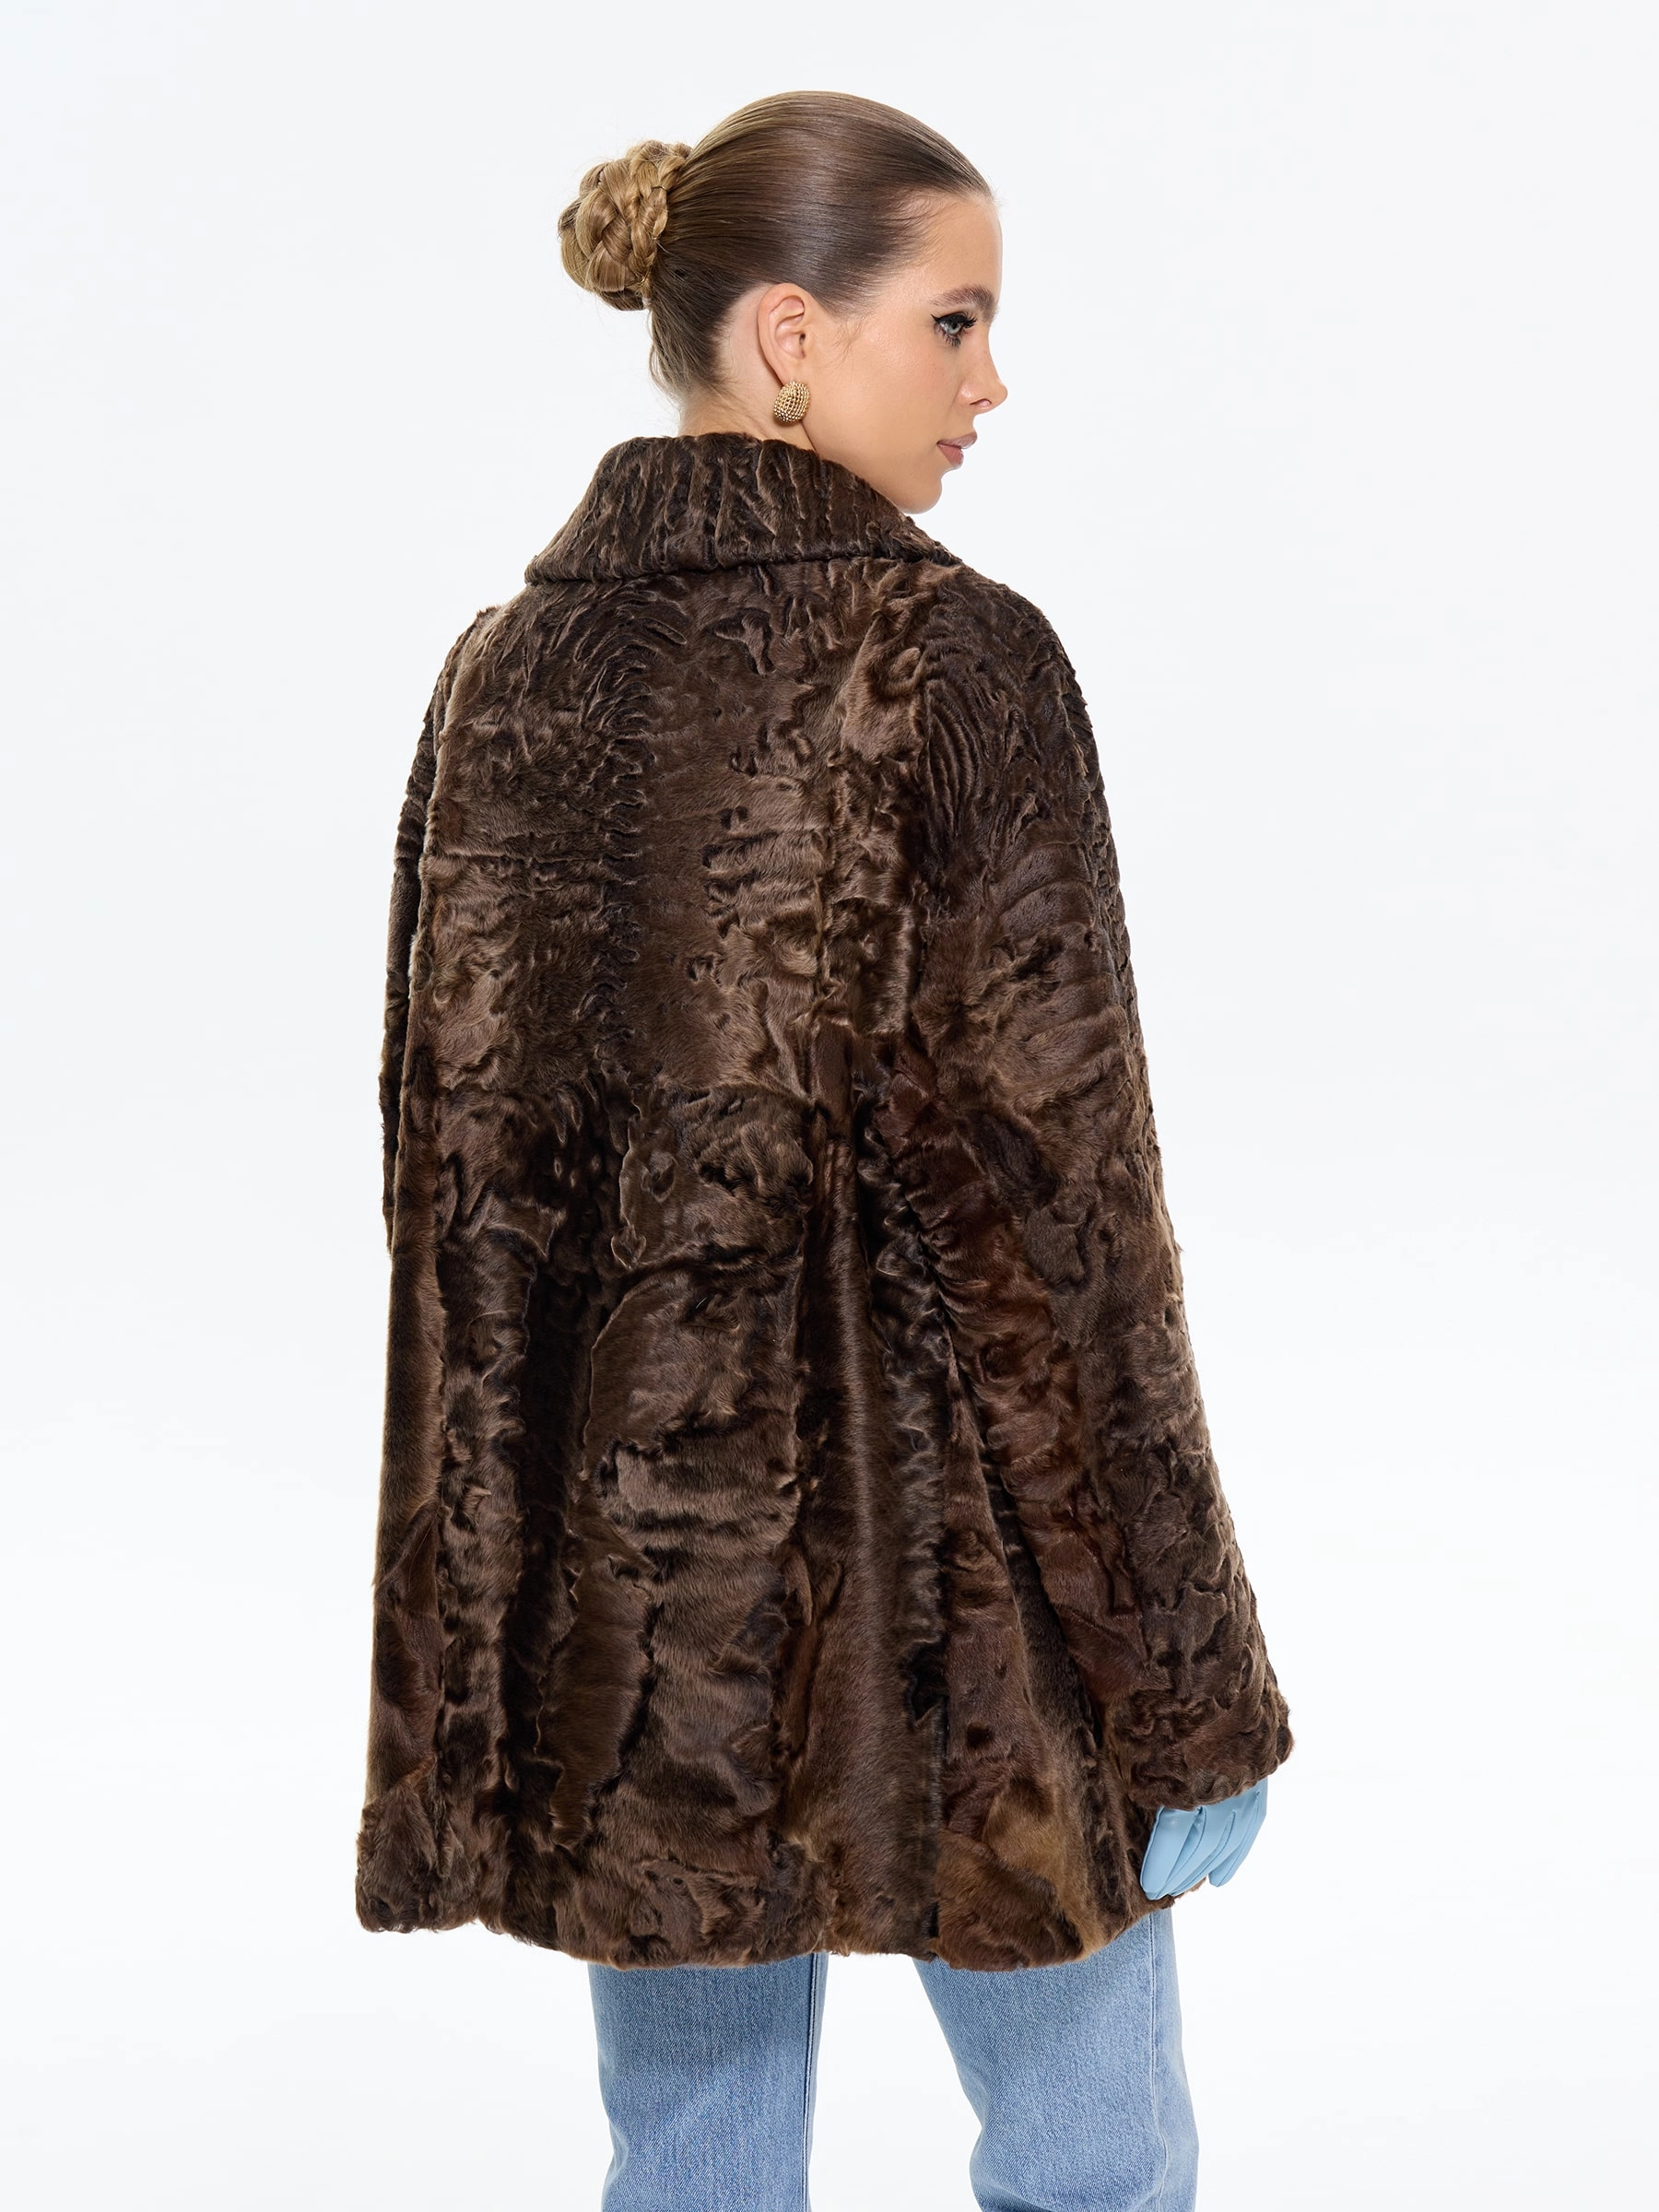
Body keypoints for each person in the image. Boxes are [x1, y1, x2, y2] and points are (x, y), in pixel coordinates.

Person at [355, 88, 1292, 2212]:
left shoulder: (498, 676)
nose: (991, 381)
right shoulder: (953, 658)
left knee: (689, 2172)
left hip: (639, 1609)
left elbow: (461, 1224)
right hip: (962, 1579)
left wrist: (476, 1664)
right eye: (954, 322)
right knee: (1097, 2161)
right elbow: (1065, 1216)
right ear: (791, 335)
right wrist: (1187, 1688)